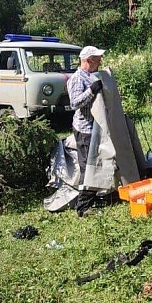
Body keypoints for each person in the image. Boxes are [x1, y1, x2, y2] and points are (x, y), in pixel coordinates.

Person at [67, 45, 106, 215]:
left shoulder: (91, 75)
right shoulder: (78, 78)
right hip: (84, 129)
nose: (100, 62)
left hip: (94, 128)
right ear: (88, 61)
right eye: (97, 60)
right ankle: (83, 207)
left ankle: (91, 198)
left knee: (94, 164)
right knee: (87, 167)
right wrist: (91, 90)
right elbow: (74, 103)